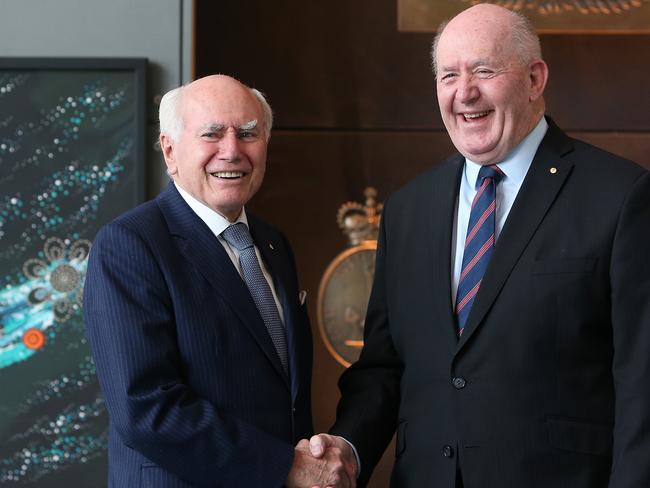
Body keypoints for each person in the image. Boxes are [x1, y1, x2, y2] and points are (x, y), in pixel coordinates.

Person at [308, 4, 650, 487]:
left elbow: (643, 383)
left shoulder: (619, 196)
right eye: (449, 75)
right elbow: (386, 367)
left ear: (534, 79)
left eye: (484, 71)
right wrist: (347, 448)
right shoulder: (408, 210)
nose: (464, 92)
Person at [84, 75, 352, 487]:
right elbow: (146, 408)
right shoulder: (130, 245)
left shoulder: (274, 245)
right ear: (170, 151)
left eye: (248, 133)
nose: (232, 151)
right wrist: (286, 466)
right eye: (212, 134)